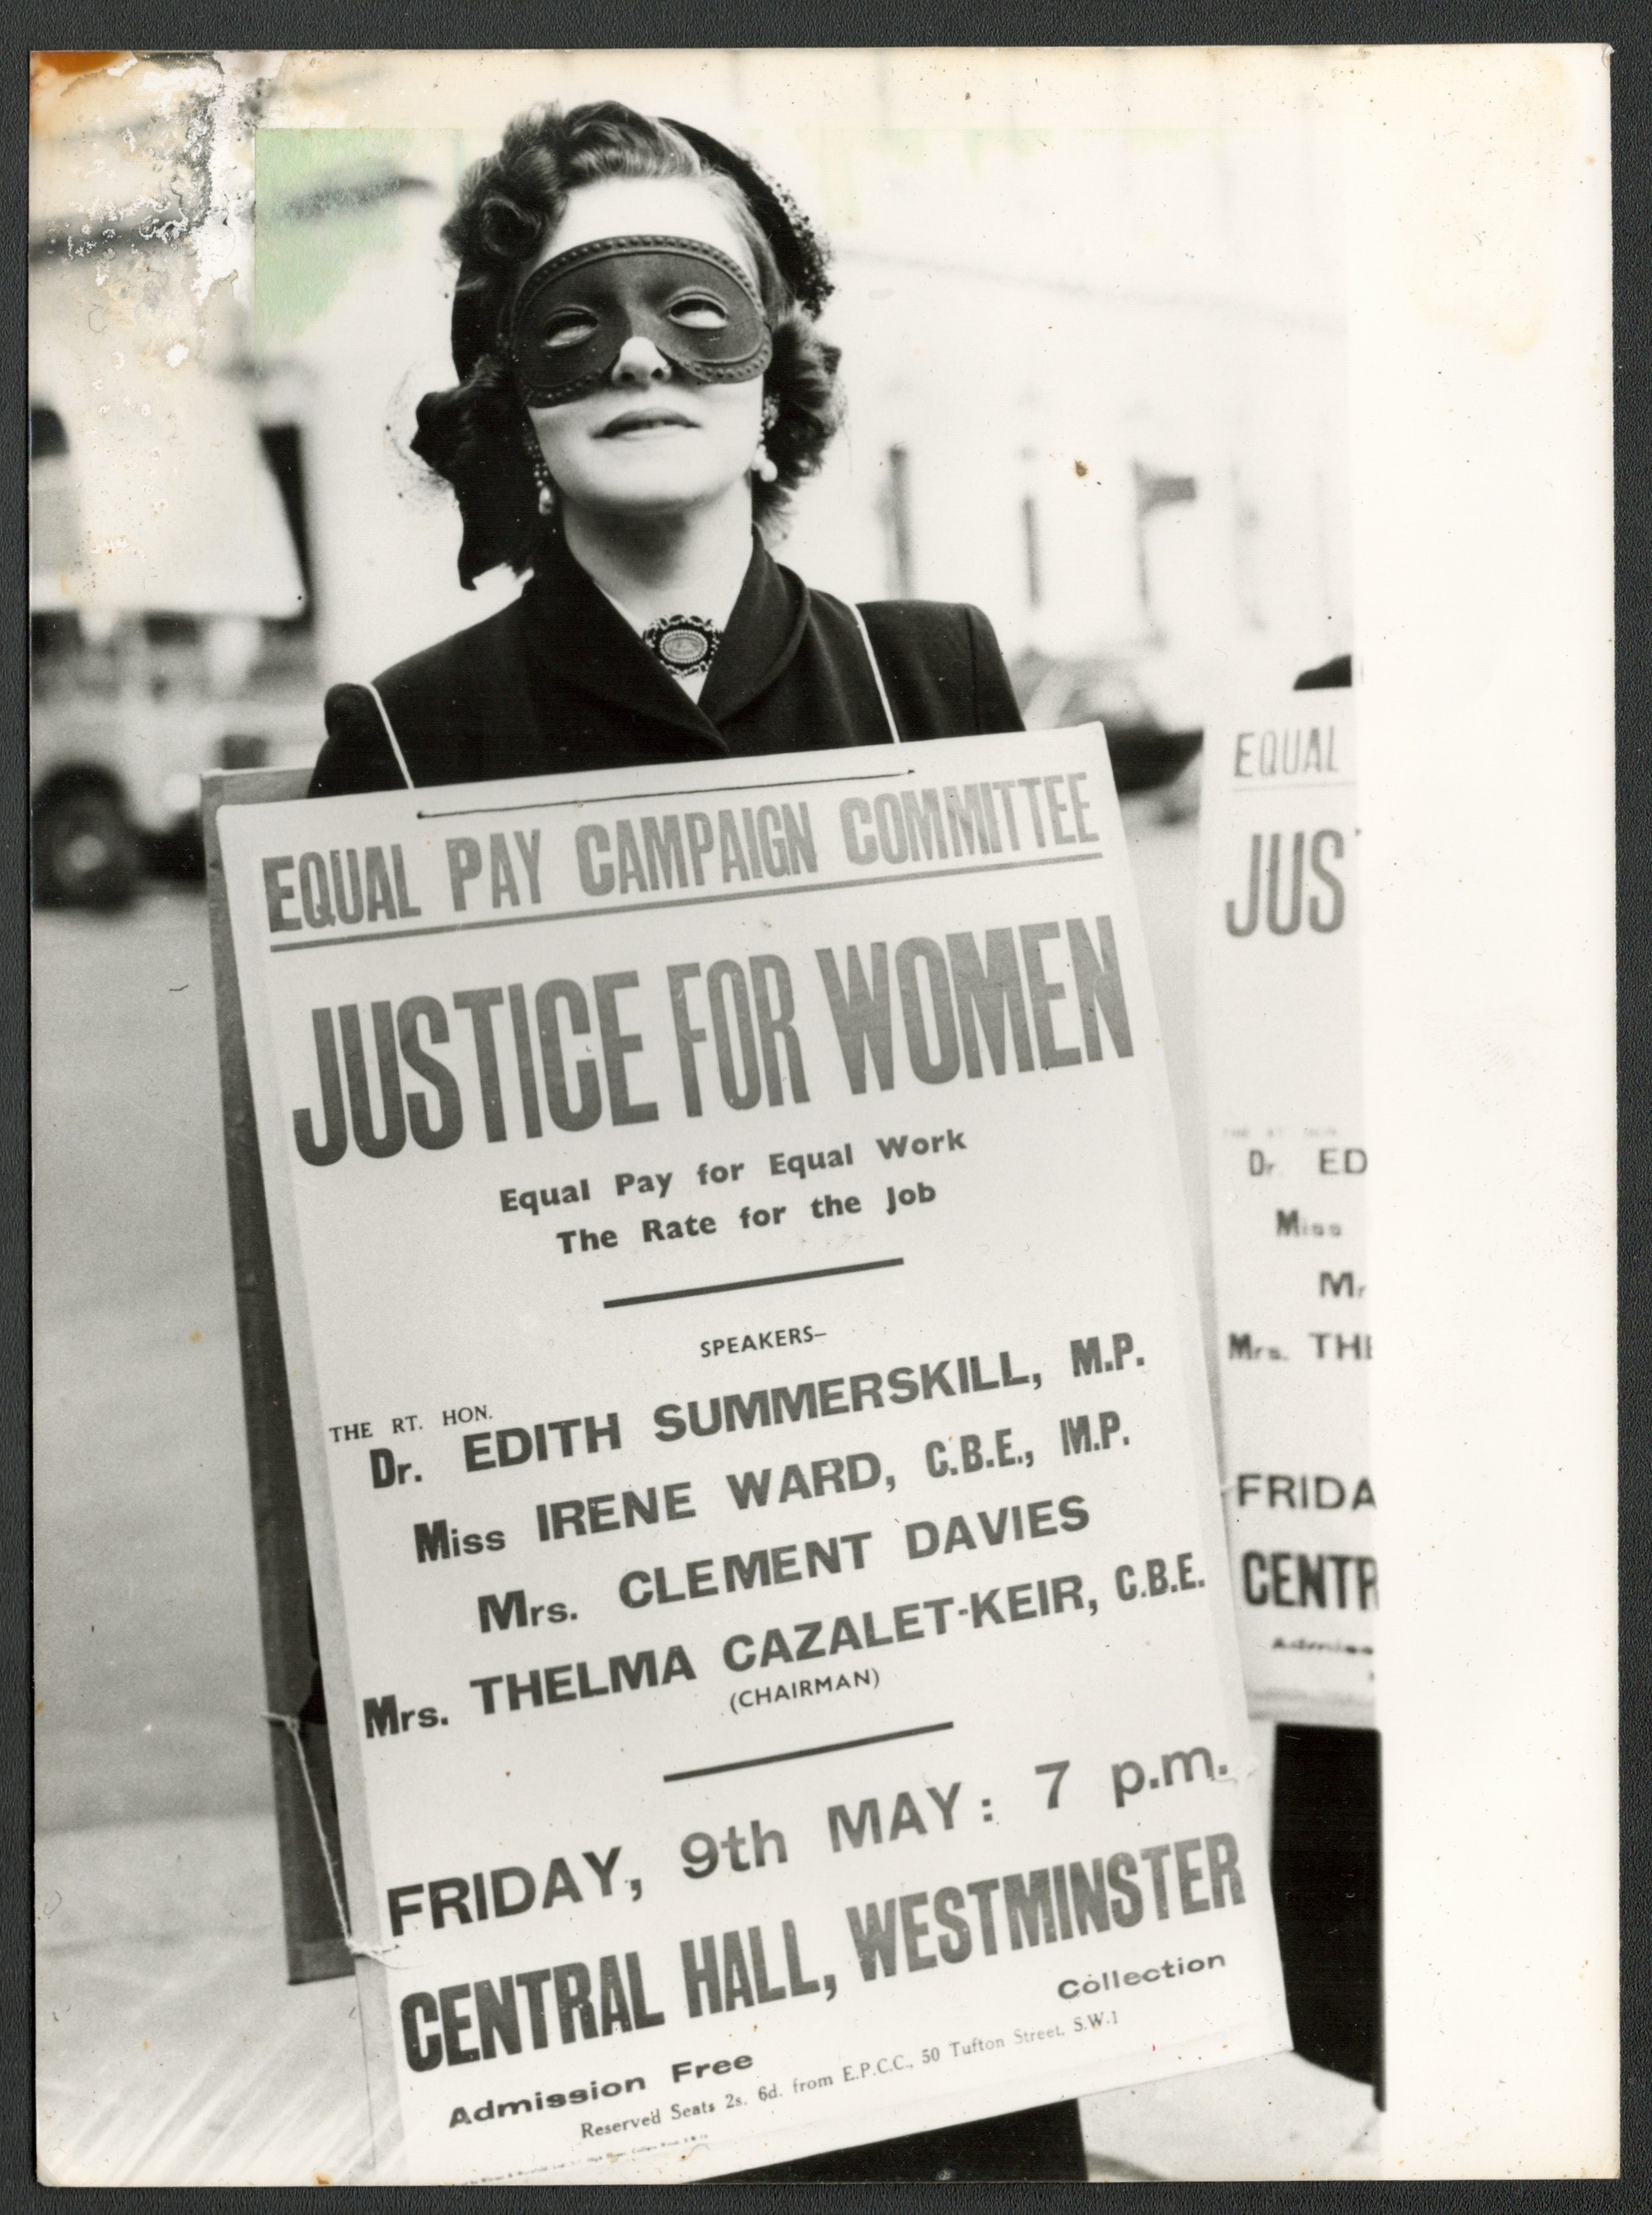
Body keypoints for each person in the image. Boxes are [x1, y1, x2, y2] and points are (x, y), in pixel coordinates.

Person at [305, 99, 1084, 2184]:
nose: (639, 362)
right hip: (598, 1672)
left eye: (691, 312)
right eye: (574, 327)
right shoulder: (396, 742)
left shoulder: (939, 691)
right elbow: (372, 1286)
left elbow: (1047, 1198)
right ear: (505, 386)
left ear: (775, 373)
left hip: (927, 1647)